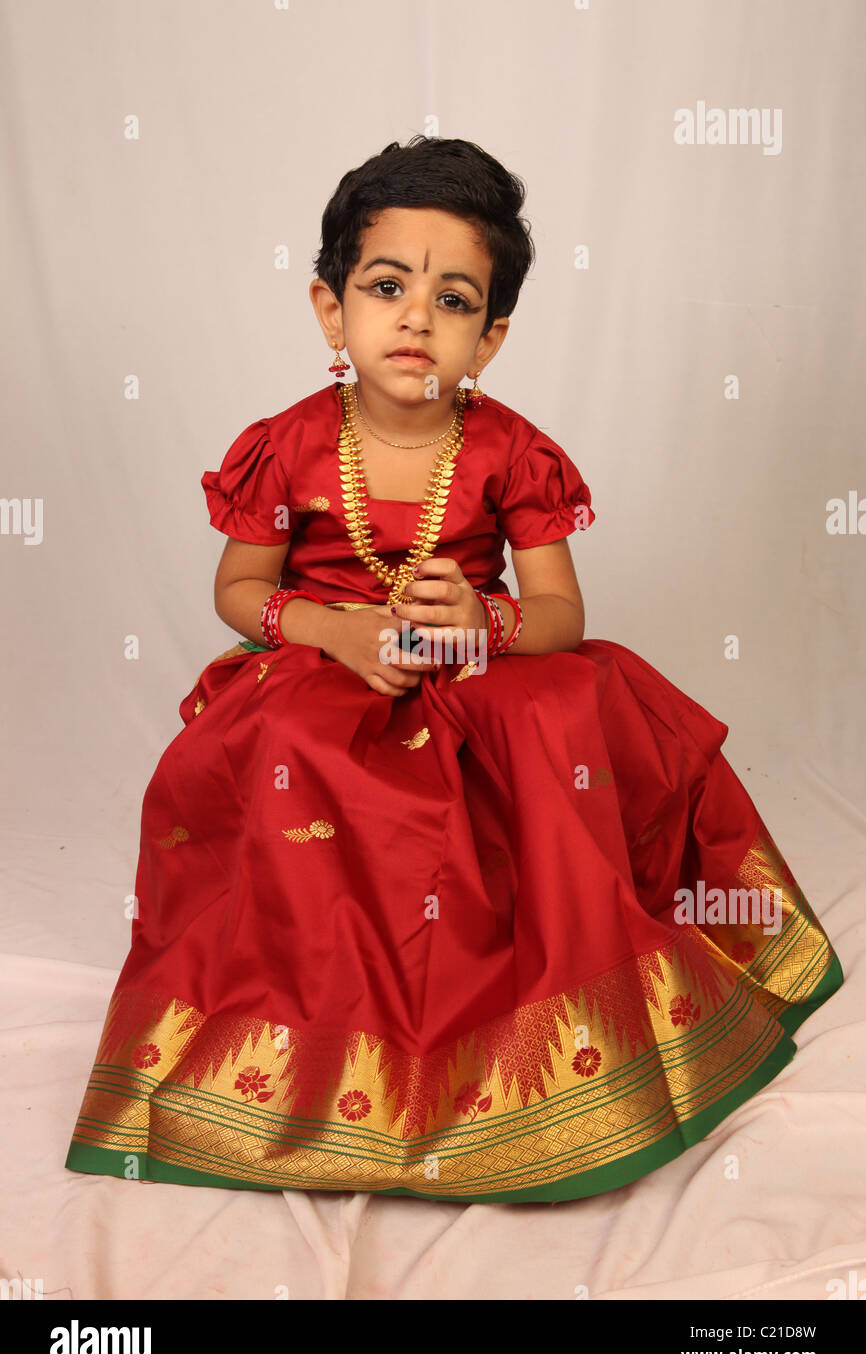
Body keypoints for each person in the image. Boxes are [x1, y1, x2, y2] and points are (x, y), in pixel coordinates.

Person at [65, 136, 843, 1204]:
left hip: (475, 671)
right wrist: (327, 628)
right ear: (329, 311)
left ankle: (528, 1026)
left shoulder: (510, 452)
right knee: (293, 742)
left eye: (454, 299)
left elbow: (564, 615)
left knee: (568, 712)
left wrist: (487, 621)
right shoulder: (286, 446)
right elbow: (237, 590)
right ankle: (324, 1039)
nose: (416, 318)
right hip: (332, 669)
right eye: (385, 286)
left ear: (492, 337)